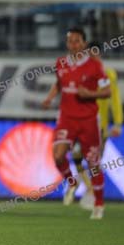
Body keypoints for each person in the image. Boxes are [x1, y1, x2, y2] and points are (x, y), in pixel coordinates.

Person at [41, 28, 111, 220]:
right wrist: (49, 98)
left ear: (84, 44)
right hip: (66, 118)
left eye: (77, 41)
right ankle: (72, 182)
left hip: (89, 120)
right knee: (58, 156)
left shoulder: (95, 66)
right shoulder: (60, 63)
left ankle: (99, 204)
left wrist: (90, 94)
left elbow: (107, 92)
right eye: (70, 41)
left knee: (93, 163)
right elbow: (59, 83)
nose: (73, 44)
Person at [71, 42, 123, 210]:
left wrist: (118, 123)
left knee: (94, 161)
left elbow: (115, 100)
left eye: (94, 54)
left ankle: (93, 192)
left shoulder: (108, 74)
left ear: (99, 54)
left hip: (100, 126)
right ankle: (90, 189)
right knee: (76, 154)